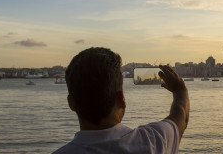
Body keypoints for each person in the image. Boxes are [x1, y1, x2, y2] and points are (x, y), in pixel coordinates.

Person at [53, 47, 189, 154]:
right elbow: (181, 116)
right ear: (122, 99)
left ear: (71, 104)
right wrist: (179, 90)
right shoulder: (152, 143)